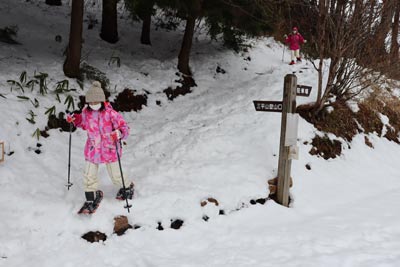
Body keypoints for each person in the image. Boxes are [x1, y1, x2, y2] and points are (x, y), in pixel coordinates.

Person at [66, 81, 134, 214]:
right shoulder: (87, 113)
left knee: (116, 175)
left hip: (110, 148)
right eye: (90, 102)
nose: (93, 104)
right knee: (88, 175)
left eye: (95, 102)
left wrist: (118, 133)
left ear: (102, 101)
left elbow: (125, 128)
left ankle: (127, 187)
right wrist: (74, 119)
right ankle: (91, 197)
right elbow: (82, 122)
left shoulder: (111, 114)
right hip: (94, 149)